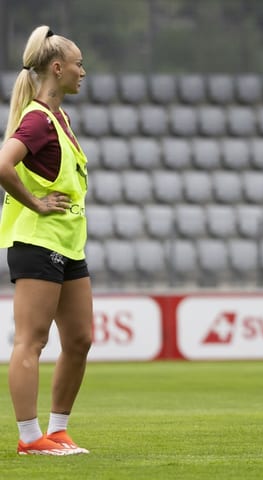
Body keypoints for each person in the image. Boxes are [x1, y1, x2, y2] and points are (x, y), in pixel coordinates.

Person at [0, 25, 92, 455]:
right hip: (39, 241)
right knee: (31, 341)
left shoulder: (59, 117)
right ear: (58, 68)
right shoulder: (38, 119)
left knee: (80, 338)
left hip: (68, 243)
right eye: (78, 64)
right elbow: (3, 165)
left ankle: (57, 430)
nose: (83, 71)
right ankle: (30, 437)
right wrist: (35, 203)